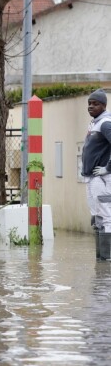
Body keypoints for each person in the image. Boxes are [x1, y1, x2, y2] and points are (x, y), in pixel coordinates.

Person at [81, 88, 111, 260]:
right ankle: (100, 260)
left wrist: (108, 168)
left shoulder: (106, 123)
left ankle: (106, 260)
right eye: (89, 104)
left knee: (106, 216)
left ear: (104, 105)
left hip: (103, 179)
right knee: (97, 217)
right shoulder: (94, 123)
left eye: (95, 104)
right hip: (91, 178)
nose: (91, 107)